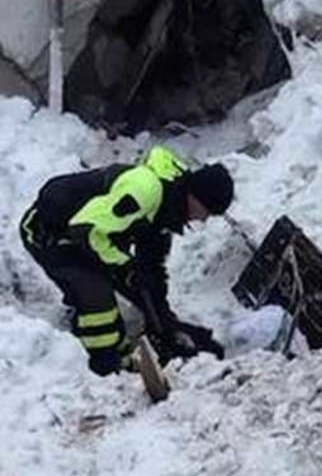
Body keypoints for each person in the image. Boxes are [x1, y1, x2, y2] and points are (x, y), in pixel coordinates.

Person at [17, 146, 232, 375]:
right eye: (207, 211)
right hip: (49, 232)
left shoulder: (167, 209)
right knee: (97, 293)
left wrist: (167, 325)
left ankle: (103, 327)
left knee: (136, 284)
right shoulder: (145, 191)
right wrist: (125, 266)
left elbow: (150, 272)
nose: (204, 219)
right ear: (195, 196)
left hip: (93, 238)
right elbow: (86, 231)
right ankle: (107, 364)